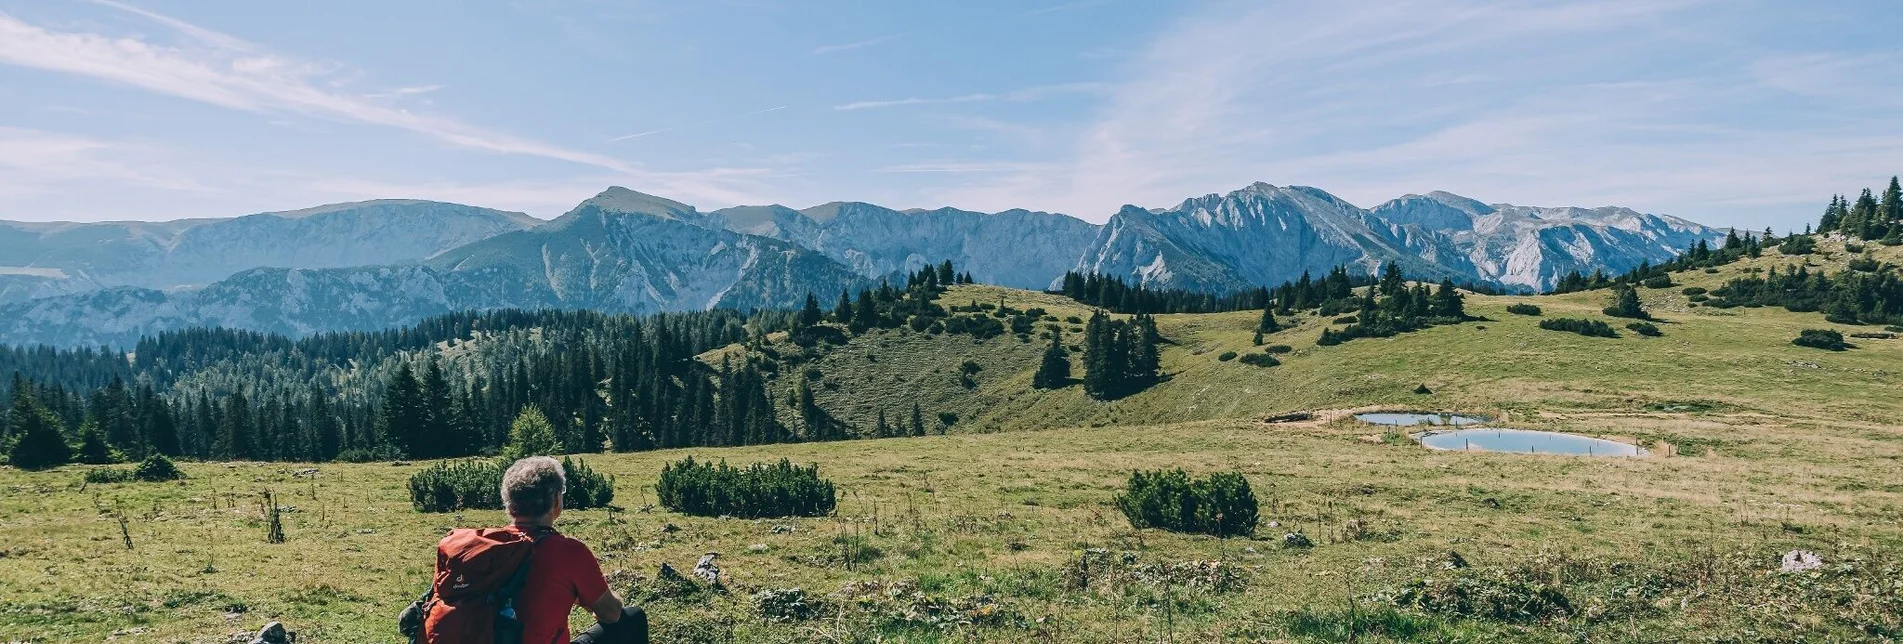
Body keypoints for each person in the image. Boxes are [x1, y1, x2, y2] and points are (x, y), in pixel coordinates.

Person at [501, 456, 648, 644]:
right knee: (633, 617)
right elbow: (611, 614)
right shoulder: (569, 552)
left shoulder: (489, 546)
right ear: (555, 499)